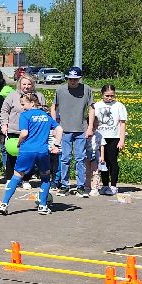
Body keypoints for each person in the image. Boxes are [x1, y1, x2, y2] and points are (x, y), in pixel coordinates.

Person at [0, 91, 61, 216]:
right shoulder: (46, 116)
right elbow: (59, 129)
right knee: (45, 177)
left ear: (32, 103)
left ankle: (4, 203)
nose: (22, 107)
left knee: (17, 176)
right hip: (42, 151)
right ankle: (43, 206)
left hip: (27, 150)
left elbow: (24, 133)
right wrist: (56, 145)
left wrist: (19, 143)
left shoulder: (25, 115)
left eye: (23, 104)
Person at [51, 67, 95, 196]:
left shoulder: (86, 89)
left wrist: (90, 127)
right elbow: (53, 107)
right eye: (70, 79)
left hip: (81, 129)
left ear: (79, 78)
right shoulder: (60, 90)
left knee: (80, 158)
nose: (72, 81)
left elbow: (92, 108)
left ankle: (80, 186)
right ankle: (64, 185)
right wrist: (55, 126)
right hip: (64, 130)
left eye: (75, 79)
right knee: (65, 158)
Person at [0, 70, 38, 193]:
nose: (26, 87)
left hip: (31, 131)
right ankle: (10, 179)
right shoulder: (12, 96)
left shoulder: (38, 96)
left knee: (29, 156)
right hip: (13, 130)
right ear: (20, 84)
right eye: (24, 84)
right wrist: (4, 124)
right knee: (12, 156)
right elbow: (4, 110)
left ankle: (26, 179)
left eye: (29, 84)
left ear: (32, 85)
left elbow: (42, 111)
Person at [92, 85, 129, 195]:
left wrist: (122, 140)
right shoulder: (96, 106)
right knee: (102, 162)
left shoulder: (119, 106)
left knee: (112, 161)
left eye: (112, 96)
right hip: (100, 137)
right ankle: (104, 185)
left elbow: (122, 123)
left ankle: (113, 185)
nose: (109, 98)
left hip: (114, 137)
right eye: (107, 96)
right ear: (102, 94)